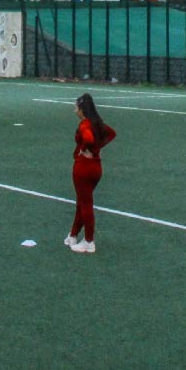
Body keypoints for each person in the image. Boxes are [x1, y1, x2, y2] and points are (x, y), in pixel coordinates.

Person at [65, 92, 116, 254]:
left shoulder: (85, 124)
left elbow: (88, 139)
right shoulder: (97, 123)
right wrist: (97, 149)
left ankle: (89, 241)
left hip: (84, 168)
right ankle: (73, 235)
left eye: (76, 108)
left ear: (82, 109)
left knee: (85, 204)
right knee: (83, 202)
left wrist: (86, 149)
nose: (75, 111)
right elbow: (111, 133)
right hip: (96, 168)